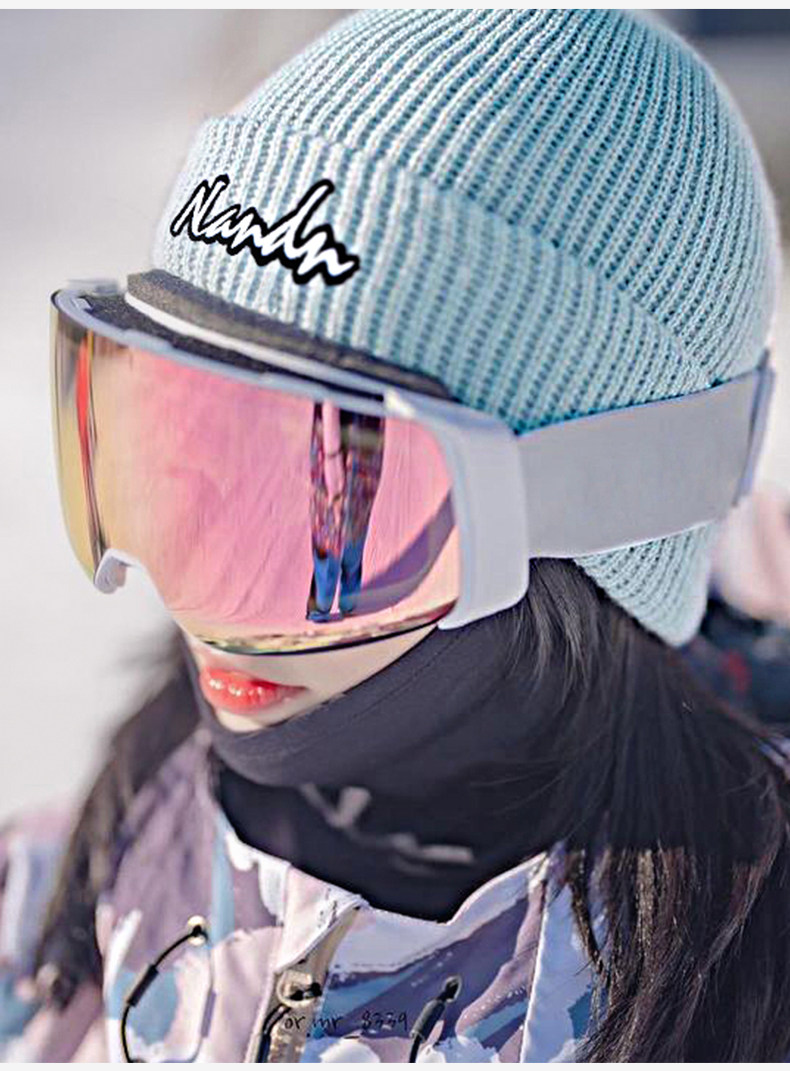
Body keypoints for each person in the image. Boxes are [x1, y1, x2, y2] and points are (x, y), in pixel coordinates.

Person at [2, 8, 788, 1063]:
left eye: (331, 496)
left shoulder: (733, 1008)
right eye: (176, 459)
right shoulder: (65, 905)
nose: (199, 579)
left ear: (585, 522)